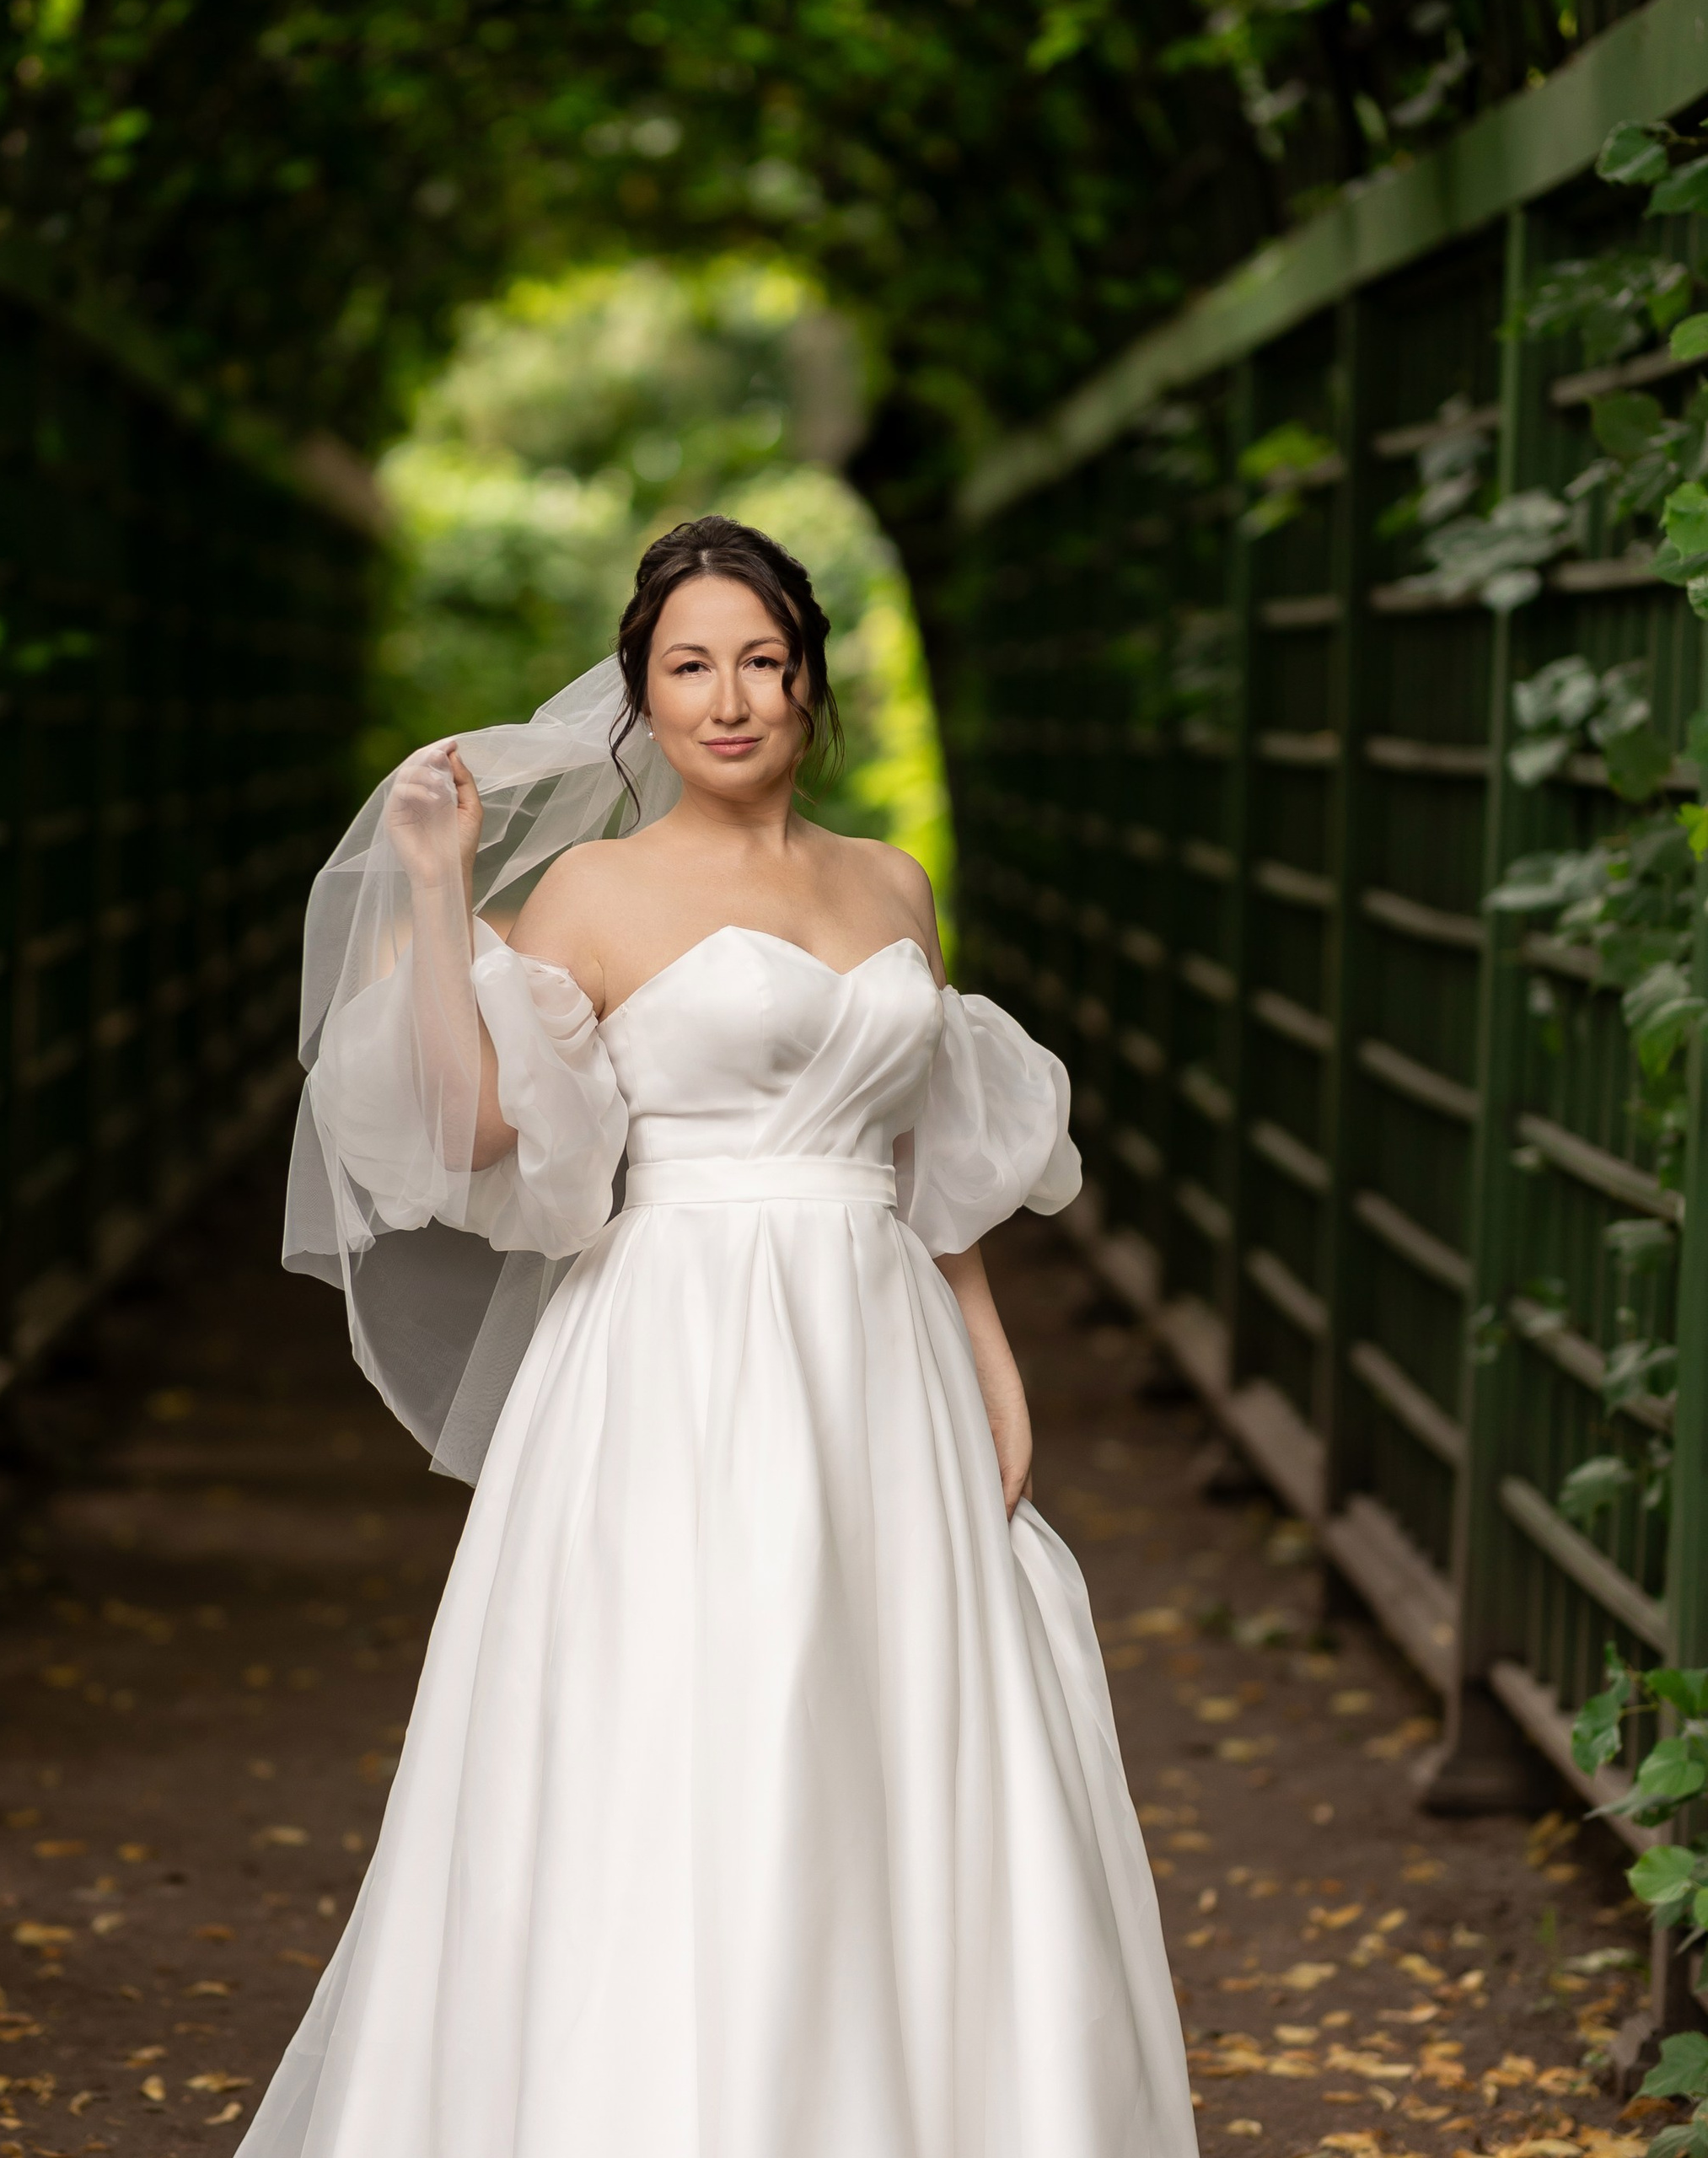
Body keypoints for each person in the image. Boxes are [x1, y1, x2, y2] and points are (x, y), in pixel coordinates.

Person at [247, 516, 1199, 2156]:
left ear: (809, 679)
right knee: (696, 1713)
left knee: (892, 1725)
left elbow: (924, 1161)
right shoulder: (591, 890)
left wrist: (989, 1355)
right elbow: (480, 1126)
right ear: (644, 694)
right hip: (671, 1346)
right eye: (690, 666)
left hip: (880, 1346)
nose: (730, 697)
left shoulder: (890, 880)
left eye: (762, 659)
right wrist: (439, 886)